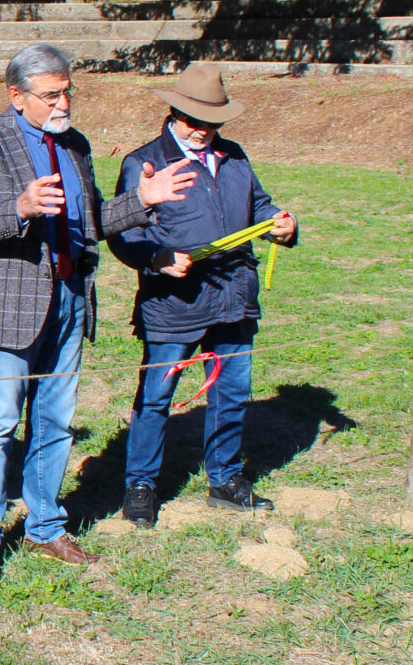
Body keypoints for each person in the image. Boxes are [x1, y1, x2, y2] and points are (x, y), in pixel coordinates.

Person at [0, 43, 197, 580]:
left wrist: (144, 199)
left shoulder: (76, 146)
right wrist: (16, 209)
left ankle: (45, 526)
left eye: (68, 92)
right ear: (16, 96)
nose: (64, 103)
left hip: (68, 298)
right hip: (9, 307)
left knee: (55, 422)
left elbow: (91, 220)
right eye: (51, 95)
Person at [108, 62, 297, 527]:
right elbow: (121, 231)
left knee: (232, 391)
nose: (203, 131)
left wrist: (282, 226)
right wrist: (156, 259)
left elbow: (259, 205)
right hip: (174, 304)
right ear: (175, 112)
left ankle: (226, 480)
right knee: (156, 395)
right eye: (194, 121)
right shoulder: (144, 162)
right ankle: (141, 485)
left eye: (213, 123)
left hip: (234, 296)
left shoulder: (234, 157)